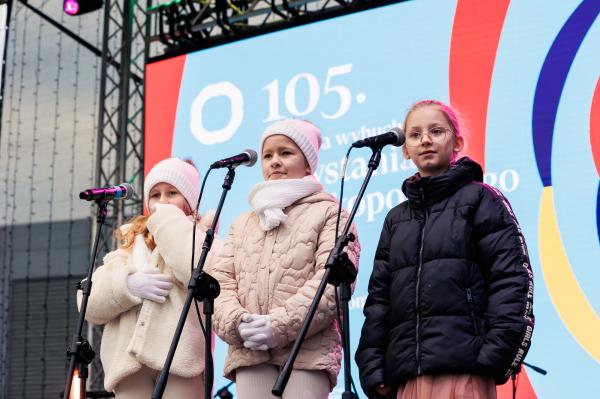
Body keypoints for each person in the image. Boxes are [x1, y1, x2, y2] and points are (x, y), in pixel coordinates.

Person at [355, 100, 534, 399]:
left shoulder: (481, 199)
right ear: (405, 150)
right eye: (415, 134)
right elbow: (379, 301)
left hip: (465, 370)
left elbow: (511, 279)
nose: (425, 139)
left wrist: (494, 355)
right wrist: (373, 367)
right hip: (408, 376)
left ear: (457, 142)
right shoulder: (397, 218)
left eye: (436, 131)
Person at [210, 119, 361, 399]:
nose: (275, 161)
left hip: (307, 350)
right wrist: (238, 323)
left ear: (308, 163)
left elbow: (331, 286)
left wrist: (276, 326)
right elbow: (220, 282)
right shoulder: (243, 222)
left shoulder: (331, 213)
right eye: (268, 155)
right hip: (250, 350)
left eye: (286, 153)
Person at [81, 158, 223, 398]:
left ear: (191, 201)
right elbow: (88, 304)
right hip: (129, 364)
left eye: (172, 193)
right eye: (155, 195)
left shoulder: (204, 239)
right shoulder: (128, 244)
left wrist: (168, 221)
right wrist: (126, 286)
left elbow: (198, 268)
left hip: (180, 361)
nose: (163, 201)